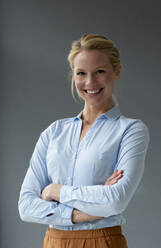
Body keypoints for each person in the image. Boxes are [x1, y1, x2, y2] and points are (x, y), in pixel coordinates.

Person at [18, 34, 150, 248]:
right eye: (81, 73)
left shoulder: (131, 130)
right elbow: (26, 206)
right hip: (54, 242)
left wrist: (56, 191)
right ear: (73, 76)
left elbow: (116, 199)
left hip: (103, 241)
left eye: (100, 71)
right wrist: (82, 214)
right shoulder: (53, 132)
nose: (90, 82)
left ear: (116, 71)